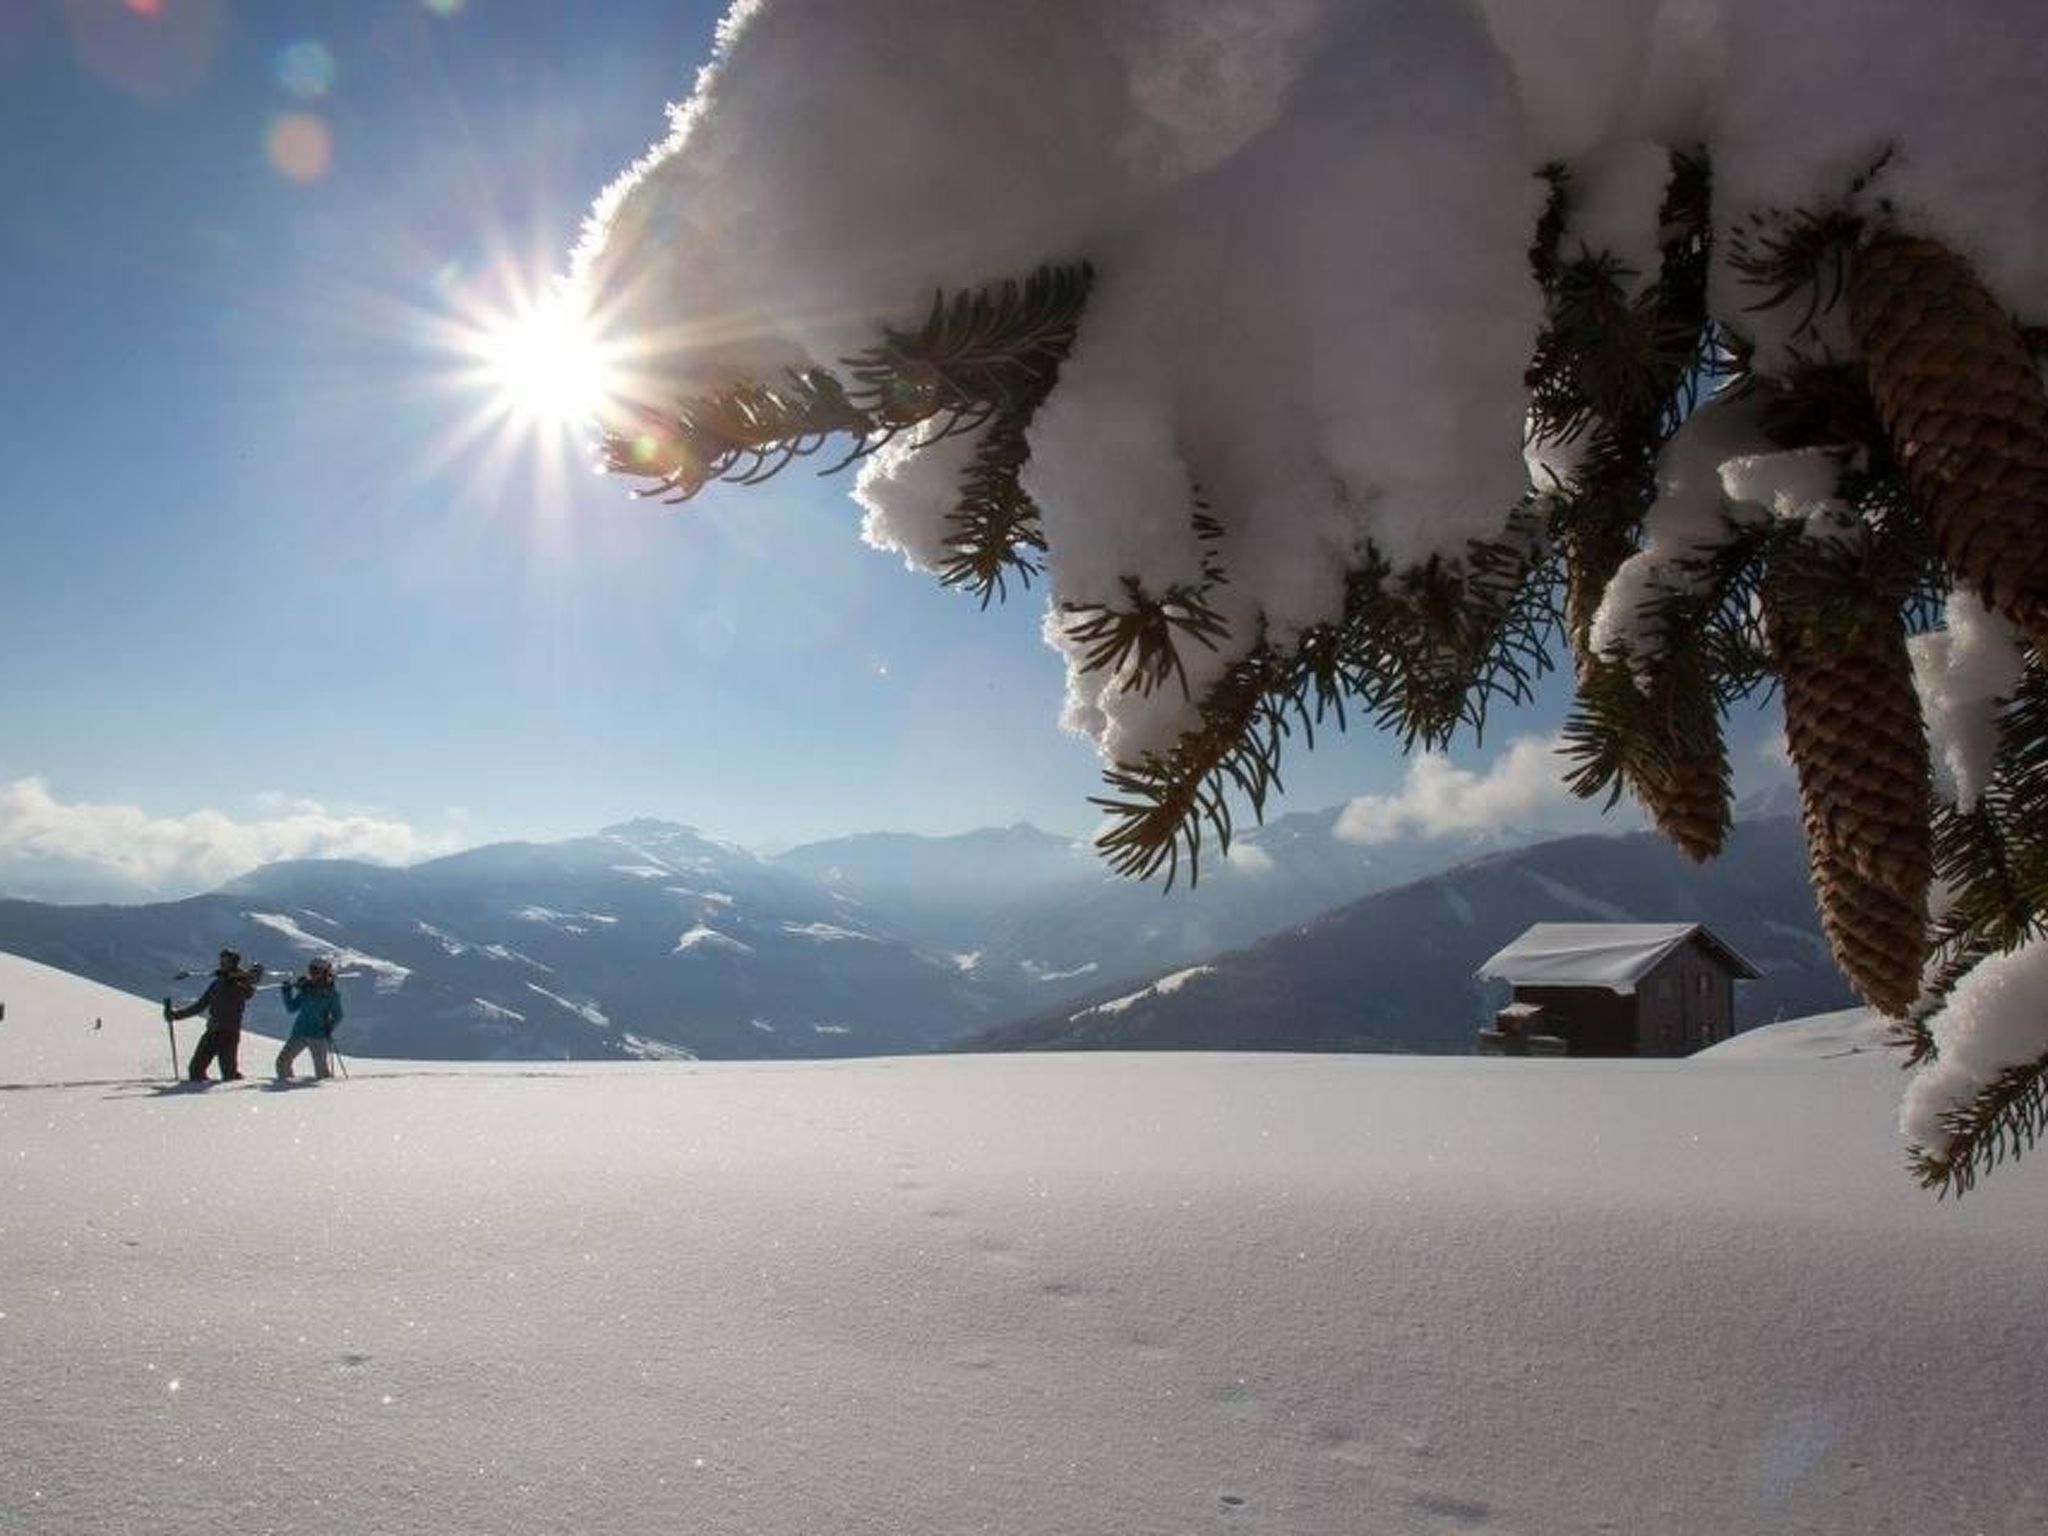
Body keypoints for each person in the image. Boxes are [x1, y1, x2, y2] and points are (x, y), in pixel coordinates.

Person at [166, 949, 262, 1081]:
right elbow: (200, 1005)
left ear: (234, 962)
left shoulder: (239, 980)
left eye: (226, 961)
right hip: (215, 1029)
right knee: (200, 1071)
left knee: (224, 1073)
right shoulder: (217, 983)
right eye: (221, 961)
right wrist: (176, 1015)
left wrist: (237, 979)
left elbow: (248, 992)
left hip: (227, 1031)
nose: (222, 964)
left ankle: (232, 1097)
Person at [276, 956, 344, 1081]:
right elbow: (291, 1008)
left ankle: (322, 1097)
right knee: (282, 1063)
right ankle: (286, 1087)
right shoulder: (306, 989)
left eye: (316, 970)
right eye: (311, 970)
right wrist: (286, 992)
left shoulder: (330, 993)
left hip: (317, 1035)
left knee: (321, 1073)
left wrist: (329, 1027)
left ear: (324, 972)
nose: (312, 973)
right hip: (299, 1032)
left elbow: (338, 1015)